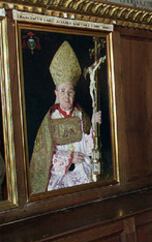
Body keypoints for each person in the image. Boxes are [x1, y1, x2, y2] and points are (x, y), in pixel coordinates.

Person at [29, 41, 101, 193]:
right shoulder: (51, 120)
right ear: (56, 93)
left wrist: (93, 126)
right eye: (62, 91)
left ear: (74, 93)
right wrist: (69, 158)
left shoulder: (81, 116)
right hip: (58, 174)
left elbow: (89, 150)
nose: (66, 96)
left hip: (82, 170)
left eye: (70, 92)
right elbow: (44, 156)